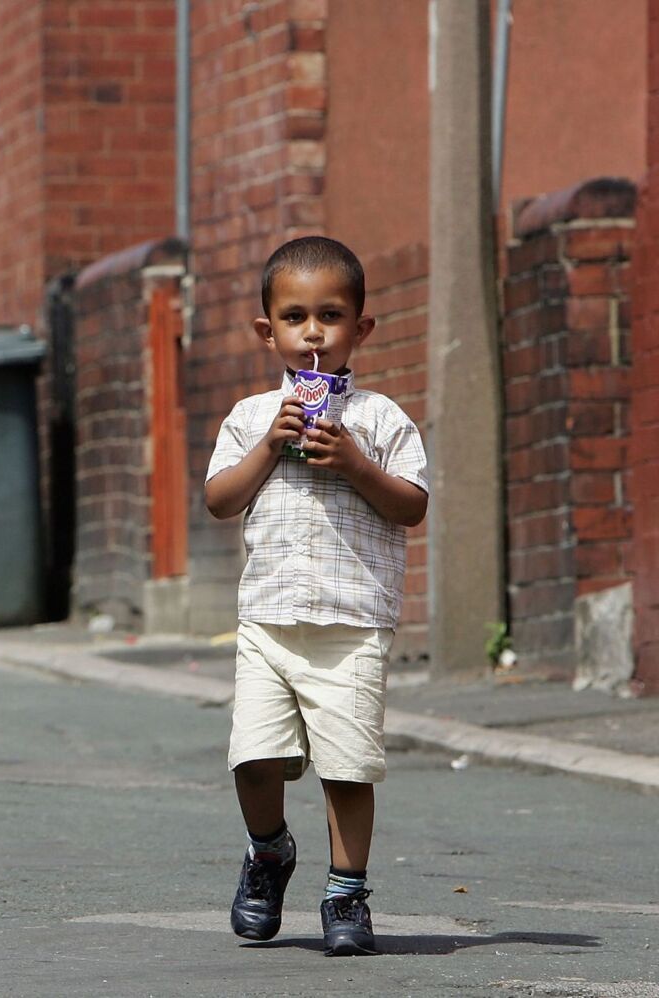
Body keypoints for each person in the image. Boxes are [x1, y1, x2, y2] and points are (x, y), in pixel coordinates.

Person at [203, 236, 429, 956]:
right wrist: (271, 446)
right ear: (267, 331)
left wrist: (354, 462)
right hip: (268, 622)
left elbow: (410, 506)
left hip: (351, 624)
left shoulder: (382, 419)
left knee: (348, 766)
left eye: (330, 316)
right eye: (295, 317)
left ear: (359, 329)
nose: (312, 333)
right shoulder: (249, 418)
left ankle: (347, 894)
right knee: (254, 757)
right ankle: (268, 852)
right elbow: (218, 499)